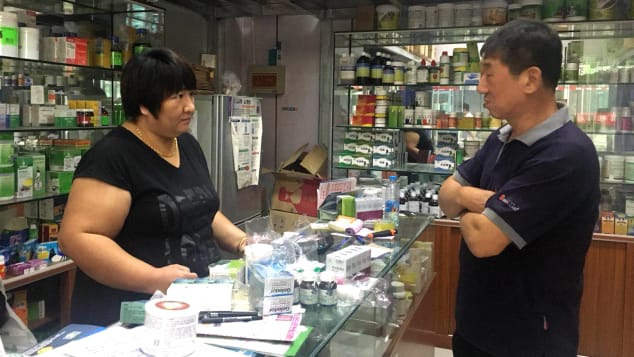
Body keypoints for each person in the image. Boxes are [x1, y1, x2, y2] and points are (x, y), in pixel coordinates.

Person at [438, 20, 599, 357]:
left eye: (489, 73)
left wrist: (469, 202)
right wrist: (484, 201)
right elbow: (445, 197)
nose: (481, 87)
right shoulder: (500, 140)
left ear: (530, 79)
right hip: (474, 329)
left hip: (529, 341)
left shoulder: (566, 154)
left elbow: (483, 239)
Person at [58, 48, 248, 326]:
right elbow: (77, 238)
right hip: (131, 317)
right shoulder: (112, 157)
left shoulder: (186, 144)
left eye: (191, 95)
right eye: (177, 97)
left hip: (191, 306)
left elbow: (196, 208)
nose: (190, 106)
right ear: (145, 105)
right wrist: (153, 278)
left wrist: (244, 243)